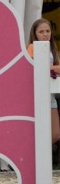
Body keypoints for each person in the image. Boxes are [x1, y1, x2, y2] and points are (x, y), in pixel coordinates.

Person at [26, 18, 60, 146]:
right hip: (35, 96)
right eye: (41, 32)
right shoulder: (31, 47)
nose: (45, 34)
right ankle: (29, 158)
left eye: (48, 31)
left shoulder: (52, 49)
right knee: (36, 131)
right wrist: (51, 69)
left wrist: (48, 68)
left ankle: (34, 155)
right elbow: (32, 67)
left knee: (55, 134)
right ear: (35, 34)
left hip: (50, 96)